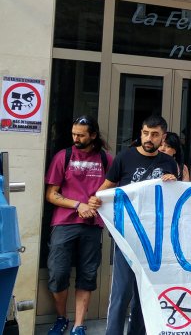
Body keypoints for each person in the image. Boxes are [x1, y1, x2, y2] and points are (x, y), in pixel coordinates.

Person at [88, 115, 178, 335]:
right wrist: (95, 199)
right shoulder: (124, 158)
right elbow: (105, 189)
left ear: (163, 137)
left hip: (155, 240)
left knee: (145, 291)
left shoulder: (168, 163)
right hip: (126, 236)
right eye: (146, 132)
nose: (149, 138)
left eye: (155, 134)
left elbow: (174, 199)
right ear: (141, 132)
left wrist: (174, 184)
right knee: (122, 291)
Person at [44, 116, 113, 335]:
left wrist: (99, 201)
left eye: (81, 135)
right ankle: (62, 318)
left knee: (87, 274)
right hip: (64, 223)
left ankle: (79, 324)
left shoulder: (105, 159)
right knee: (57, 273)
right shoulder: (63, 156)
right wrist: (78, 205)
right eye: (74, 133)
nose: (76, 138)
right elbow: (51, 195)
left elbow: (113, 191)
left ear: (93, 135)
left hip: (93, 225)